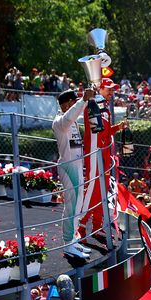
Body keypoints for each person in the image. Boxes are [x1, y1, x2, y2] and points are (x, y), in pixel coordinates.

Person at [79, 78, 129, 242]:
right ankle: (80, 226)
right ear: (99, 88)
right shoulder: (92, 104)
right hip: (95, 153)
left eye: (113, 89)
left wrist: (118, 128)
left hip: (104, 155)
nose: (112, 92)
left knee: (102, 190)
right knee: (92, 188)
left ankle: (97, 226)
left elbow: (105, 133)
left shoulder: (104, 107)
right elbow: (94, 132)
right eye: (109, 89)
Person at [52, 89, 94, 259]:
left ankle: (74, 239)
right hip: (68, 167)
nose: (75, 105)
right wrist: (83, 100)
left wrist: (83, 101)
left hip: (76, 166)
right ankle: (68, 242)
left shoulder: (73, 122)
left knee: (78, 205)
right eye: (72, 102)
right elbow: (69, 117)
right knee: (71, 205)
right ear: (66, 104)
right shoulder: (59, 122)